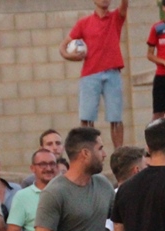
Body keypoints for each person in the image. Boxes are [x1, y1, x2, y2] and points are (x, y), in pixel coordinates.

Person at [60, 0, 129, 149]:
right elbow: (63, 47)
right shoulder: (84, 23)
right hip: (90, 74)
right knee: (87, 118)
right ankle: (89, 150)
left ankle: (119, 153)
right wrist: (71, 56)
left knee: (116, 118)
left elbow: (124, 5)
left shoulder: (115, 17)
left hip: (112, 73)